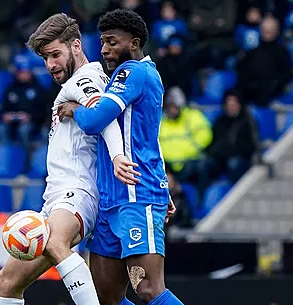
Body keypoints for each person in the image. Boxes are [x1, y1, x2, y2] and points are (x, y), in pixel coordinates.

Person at [0, 13, 132, 305]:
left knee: (56, 243)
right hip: (56, 197)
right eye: (45, 58)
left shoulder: (84, 79)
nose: (51, 65)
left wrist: (117, 156)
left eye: (56, 54)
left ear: (77, 46)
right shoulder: (76, 83)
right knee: (7, 282)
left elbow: (103, 117)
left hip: (78, 191)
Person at [58, 9, 182, 305]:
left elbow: (93, 120)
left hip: (136, 195)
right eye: (102, 42)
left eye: (112, 42)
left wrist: (76, 108)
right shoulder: (132, 76)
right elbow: (148, 137)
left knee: (149, 289)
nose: (104, 49)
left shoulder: (134, 71)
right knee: (105, 297)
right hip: (110, 199)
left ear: (134, 43)